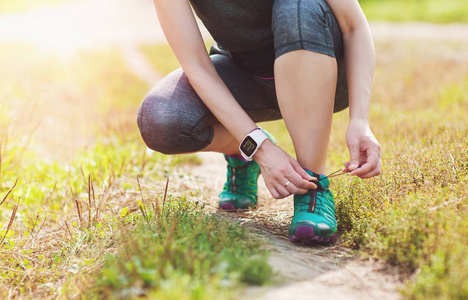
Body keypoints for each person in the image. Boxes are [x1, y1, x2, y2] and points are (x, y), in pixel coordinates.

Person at [137, 0, 382, 243]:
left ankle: (313, 186)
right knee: (161, 118)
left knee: (296, 6)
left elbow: (354, 26)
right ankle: (243, 150)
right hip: (246, 75)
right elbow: (197, 66)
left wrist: (360, 120)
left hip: (318, 65)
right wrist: (258, 147)